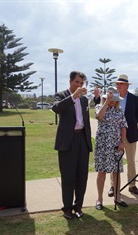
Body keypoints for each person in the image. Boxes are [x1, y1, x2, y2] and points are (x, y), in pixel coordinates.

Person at [52, 71, 92, 220]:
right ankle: (67, 208)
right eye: (77, 82)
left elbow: (86, 121)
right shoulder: (61, 95)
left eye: (81, 83)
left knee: (82, 175)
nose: (79, 86)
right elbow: (56, 108)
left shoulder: (84, 100)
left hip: (82, 139)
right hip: (67, 141)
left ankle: (78, 207)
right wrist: (73, 96)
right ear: (70, 81)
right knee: (68, 176)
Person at [94, 87, 128, 210]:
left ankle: (118, 197)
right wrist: (106, 103)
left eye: (114, 100)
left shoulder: (119, 111)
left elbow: (124, 126)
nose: (112, 102)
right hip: (103, 144)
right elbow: (99, 116)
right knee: (101, 171)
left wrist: (122, 142)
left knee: (116, 171)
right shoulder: (99, 107)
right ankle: (99, 199)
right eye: (110, 99)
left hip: (115, 144)